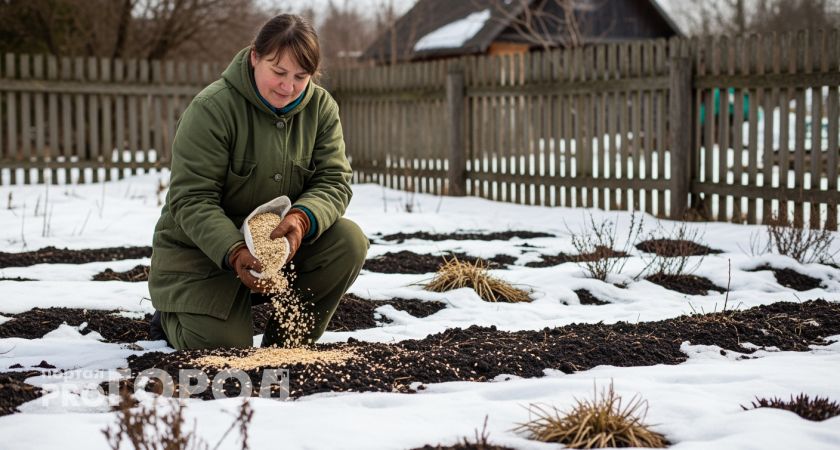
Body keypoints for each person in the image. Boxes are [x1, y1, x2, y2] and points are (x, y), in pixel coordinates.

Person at [148, 14, 368, 350]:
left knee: (349, 240)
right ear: (255, 57)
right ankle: (171, 316)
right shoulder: (212, 109)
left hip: (279, 248)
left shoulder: (322, 109)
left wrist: (301, 219)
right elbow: (190, 199)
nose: (288, 86)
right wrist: (234, 251)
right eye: (278, 72)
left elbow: (334, 181)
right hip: (205, 256)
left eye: (301, 76)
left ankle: (287, 342)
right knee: (225, 347)